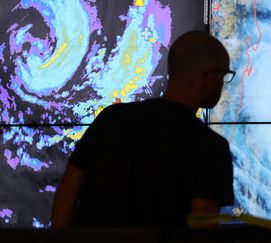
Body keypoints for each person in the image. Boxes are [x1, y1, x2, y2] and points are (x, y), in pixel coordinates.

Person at [51, 31, 235, 229]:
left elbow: (67, 193)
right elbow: (202, 226)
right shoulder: (211, 148)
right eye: (224, 76)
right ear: (208, 77)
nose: (223, 84)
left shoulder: (111, 119)